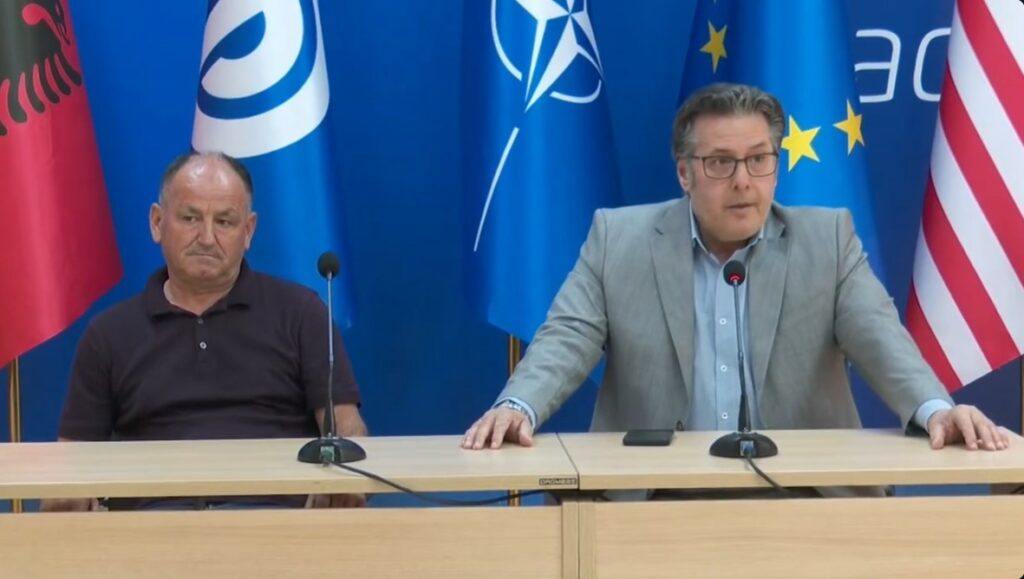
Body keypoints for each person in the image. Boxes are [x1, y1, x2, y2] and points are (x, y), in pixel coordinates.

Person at [462, 83, 1009, 471]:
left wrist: (937, 409)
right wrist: (517, 407)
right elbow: (566, 339)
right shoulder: (618, 240)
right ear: (685, 173)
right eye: (720, 163)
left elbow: (882, 340)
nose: (743, 181)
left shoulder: (828, 240)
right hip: (652, 496)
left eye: (759, 159)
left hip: (799, 494)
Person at [43, 151, 367, 511]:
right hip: (152, 525)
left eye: (225, 222)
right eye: (190, 218)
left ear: (248, 231)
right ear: (157, 223)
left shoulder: (301, 313)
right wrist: (67, 498)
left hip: (275, 518)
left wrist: (342, 478)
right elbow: (73, 456)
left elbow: (347, 429)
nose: (207, 238)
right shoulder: (109, 334)